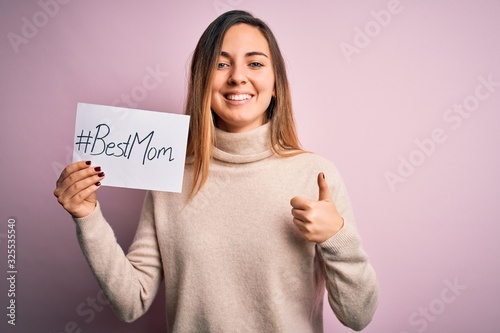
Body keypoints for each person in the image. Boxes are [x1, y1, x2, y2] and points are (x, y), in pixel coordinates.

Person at [54, 10, 378, 332]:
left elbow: (358, 316)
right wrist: (87, 216)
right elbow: (131, 302)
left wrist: (337, 236)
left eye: (255, 63)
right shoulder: (170, 175)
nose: (237, 76)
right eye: (221, 64)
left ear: (276, 83)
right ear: (201, 81)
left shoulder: (316, 174)